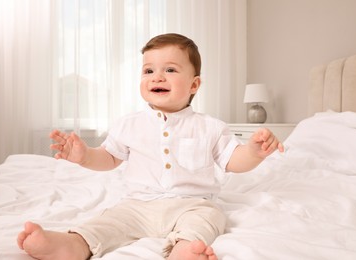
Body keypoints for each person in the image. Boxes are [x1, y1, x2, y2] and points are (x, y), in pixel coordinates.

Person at [17, 33, 284, 260]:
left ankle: (185, 250)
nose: (157, 77)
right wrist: (85, 155)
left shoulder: (210, 127)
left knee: (210, 218)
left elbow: (232, 161)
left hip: (191, 205)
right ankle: (70, 245)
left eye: (170, 69)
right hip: (138, 206)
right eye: (148, 70)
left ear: (194, 84)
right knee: (106, 222)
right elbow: (109, 158)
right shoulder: (128, 124)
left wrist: (252, 152)